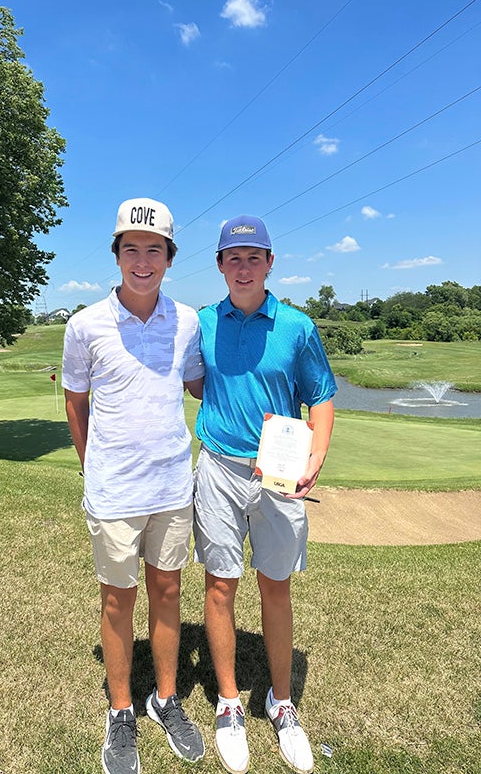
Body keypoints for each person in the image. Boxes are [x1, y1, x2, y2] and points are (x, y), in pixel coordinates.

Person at [62, 198, 205, 774]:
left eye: (153, 250)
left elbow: (198, 385)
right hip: (115, 491)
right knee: (117, 599)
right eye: (131, 249)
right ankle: (121, 710)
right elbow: (76, 401)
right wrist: (90, 463)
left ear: (168, 258)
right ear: (117, 255)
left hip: (173, 484)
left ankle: (164, 698)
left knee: (168, 592)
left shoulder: (189, 320)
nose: (141, 260)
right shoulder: (85, 324)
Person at [193, 215, 336, 774]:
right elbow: (195, 379)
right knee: (220, 584)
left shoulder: (297, 326)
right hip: (220, 468)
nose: (244, 266)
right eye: (234, 257)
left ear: (270, 263)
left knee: (275, 587)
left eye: (255, 257)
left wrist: (316, 455)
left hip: (279, 475)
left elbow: (320, 394)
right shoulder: (202, 322)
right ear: (221, 266)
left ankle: (282, 703)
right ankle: (229, 703)